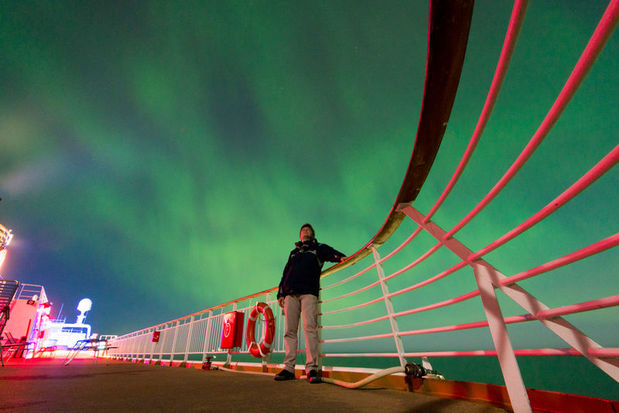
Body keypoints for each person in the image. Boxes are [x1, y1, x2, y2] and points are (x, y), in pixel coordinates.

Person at [274, 223, 345, 383]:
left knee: (309, 329)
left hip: (309, 293)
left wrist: (341, 257)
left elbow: (332, 253)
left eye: (308, 230)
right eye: (303, 230)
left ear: (312, 234)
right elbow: (285, 273)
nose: (305, 231)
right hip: (290, 294)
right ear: (300, 235)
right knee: (290, 331)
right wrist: (280, 293)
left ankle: (311, 369)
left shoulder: (318, 248)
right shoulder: (293, 253)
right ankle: (288, 369)